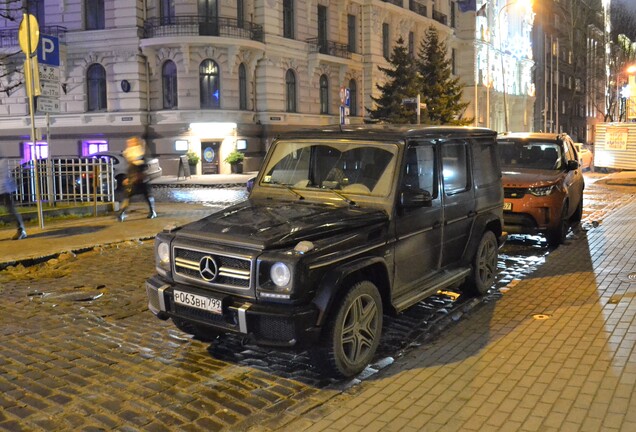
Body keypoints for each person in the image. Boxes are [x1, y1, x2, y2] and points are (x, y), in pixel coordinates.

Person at [116, 136, 157, 221]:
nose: (128, 144)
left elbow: (137, 167)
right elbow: (137, 167)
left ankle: (121, 214)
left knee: (129, 196)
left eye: (130, 142)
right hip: (139, 180)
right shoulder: (137, 153)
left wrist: (130, 178)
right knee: (145, 195)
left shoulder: (136, 153)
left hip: (137, 179)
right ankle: (152, 211)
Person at [0, 154, 27, 240]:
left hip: (4, 189)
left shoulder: (2, 161)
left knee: (10, 209)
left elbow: (3, 177)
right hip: (4, 188)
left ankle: (21, 230)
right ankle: (21, 230)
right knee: (10, 209)